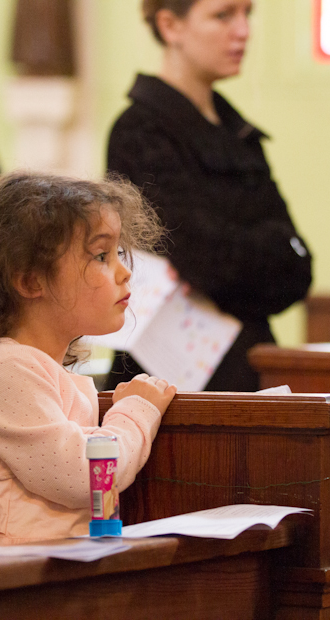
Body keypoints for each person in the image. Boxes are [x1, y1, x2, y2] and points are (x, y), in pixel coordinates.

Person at [0, 173, 176, 546]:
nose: (125, 271)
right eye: (101, 255)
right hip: (7, 579)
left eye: (118, 253)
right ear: (31, 280)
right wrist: (136, 412)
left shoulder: (38, 371)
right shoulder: (1, 369)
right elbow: (86, 477)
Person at [105, 0, 313, 392]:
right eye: (223, 15)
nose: (243, 31)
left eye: (247, 14)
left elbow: (297, 270)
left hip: (250, 361)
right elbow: (202, 258)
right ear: (171, 26)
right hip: (167, 378)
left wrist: (236, 261)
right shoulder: (140, 131)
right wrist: (261, 253)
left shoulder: (239, 133)